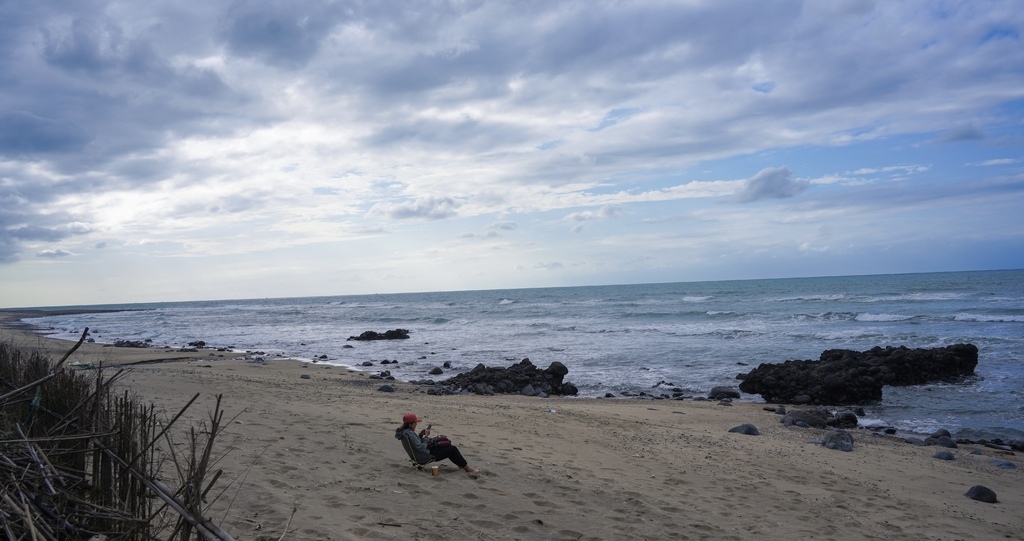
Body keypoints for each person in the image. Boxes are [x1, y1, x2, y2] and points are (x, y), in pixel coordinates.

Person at [395, 412, 480, 477]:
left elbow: (416, 444)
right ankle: (468, 469)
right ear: (410, 424)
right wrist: (427, 437)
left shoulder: (404, 432)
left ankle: (462, 466)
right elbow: (421, 448)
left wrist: (421, 436)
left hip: (419, 455)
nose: (416, 424)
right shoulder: (409, 434)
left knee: (448, 446)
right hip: (424, 457)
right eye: (415, 423)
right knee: (452, 449)